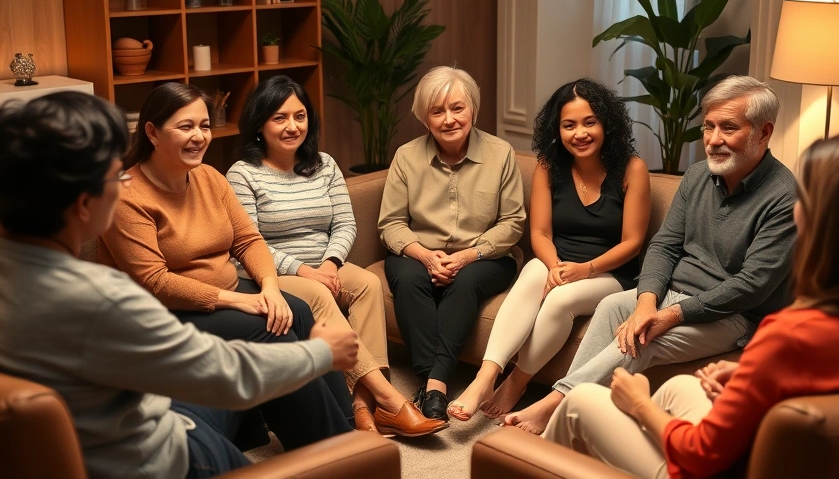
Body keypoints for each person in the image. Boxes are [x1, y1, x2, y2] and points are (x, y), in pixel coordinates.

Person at [0, 92, 360, 479]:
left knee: (279, 323)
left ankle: (339, 445)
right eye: (114, 176)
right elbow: (229, 375)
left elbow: (247, 242)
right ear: (85, 204)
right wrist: (323, 352)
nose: (123, 183)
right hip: (152, 459)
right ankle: (351, 460)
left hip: (81, 424)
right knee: (271, 340)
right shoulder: (102, 299)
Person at [543, 131, 839, 478]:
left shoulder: (788, 336)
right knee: (680, 387)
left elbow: (697, 455)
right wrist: (749, 371)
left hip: (712, 469)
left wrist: (637, 402)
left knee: (583, 402)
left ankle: (522, 459)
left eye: (807, 201)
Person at [505, 75, 798, 434]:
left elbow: (752, 285)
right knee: (612, 307)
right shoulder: (696, 176)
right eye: (708, 127)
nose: (714, 140)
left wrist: (671, 314)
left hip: (733, 316)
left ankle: (556, 405)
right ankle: (578, 412)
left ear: (764, 132)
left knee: (643, 340)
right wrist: (647, 301)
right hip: (672, 293)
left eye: (729, 128)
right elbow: (665, 244)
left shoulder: (785, 197)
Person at [98, 82, 354, 448]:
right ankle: (330, 447)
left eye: (204, 125)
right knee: (271, 330)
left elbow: (248, 240)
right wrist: (239, 301)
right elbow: (154, 281)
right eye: (185, 127)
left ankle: (345, 426)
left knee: (296, 310)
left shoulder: (209, 177)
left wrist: (269, 287)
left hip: (225, 292)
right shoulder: (127, 195)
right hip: (161, 312)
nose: (199, 136)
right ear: (152, 132)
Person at [227, 75, 445, 437]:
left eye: (300, 116)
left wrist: (329, 264)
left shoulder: (324, 164)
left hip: (325, 266)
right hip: (272, 273)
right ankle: (390, 400)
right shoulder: (242, 174)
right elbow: (249, 243)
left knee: (368, 284)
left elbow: (345, 224)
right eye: (279, 118)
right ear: (259, 123)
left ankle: (361, 406)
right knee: (314, 294)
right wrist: (304, 271)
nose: (292, 126)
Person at [447, 79, 650, 421]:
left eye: (589, 122)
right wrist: (555, 267)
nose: (580, 133)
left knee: (560, 298)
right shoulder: (548, 165)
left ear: (606, 124)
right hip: (558, 259)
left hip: (610, 272)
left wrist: (582, 271)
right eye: (568, 125)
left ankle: (516, 383)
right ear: (557, 130)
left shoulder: (632, 169)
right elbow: (539, 232)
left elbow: (632, 243)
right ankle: (485, 378)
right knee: (532, 274)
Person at [378, 66, 526, 420]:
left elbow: (513, 221)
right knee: (407, 278)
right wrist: (425, 256)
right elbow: (391, 223)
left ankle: (433, 383)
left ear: (472, 109)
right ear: (424, 118)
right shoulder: (406, 156)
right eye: (437, 111)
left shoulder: (500, 153)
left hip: (485, 257)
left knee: (465, 283)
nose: (449, 119)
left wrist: (466, 257)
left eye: (457, 108)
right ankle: (437, 386)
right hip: (419, 252)